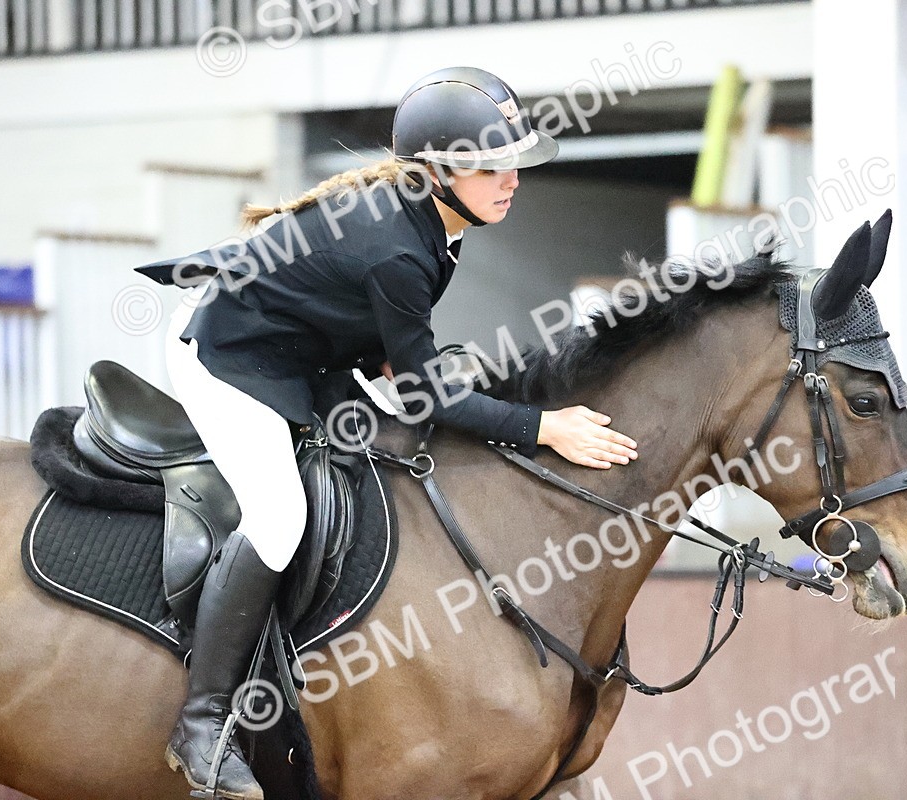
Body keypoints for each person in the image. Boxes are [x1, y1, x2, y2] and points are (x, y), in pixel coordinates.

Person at [137, 66, 638, 800]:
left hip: (302, 350)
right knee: (280, 519)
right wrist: (542, 427)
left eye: (513, 163)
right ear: (436, 172)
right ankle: (204, 721)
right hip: (228, 360)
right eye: (490, 165)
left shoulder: (440, 224)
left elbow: (381, 338)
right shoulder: (400, 247)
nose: (512, 180)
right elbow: (425, 391)